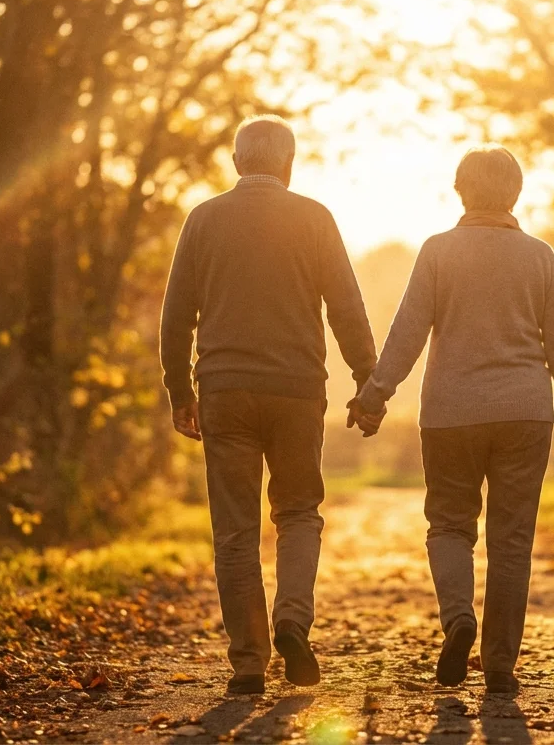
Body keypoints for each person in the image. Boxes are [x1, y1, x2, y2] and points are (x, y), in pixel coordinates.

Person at [350, 145, 554, 697]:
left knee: (450, 526)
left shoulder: (438, 252)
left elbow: (407, 331)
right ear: (516, 194)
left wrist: (374, 396)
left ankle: (459, 617)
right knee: (512, 541)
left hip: (450, 415)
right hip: (526, 414)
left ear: (460, 190)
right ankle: (500, 664)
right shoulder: (540, 257)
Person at [160, 114, 378, 696]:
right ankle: (292, 620)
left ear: (237, 163)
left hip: (225, 391)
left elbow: (176, 315)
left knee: (234, 531)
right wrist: (367, 382)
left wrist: (181, 392)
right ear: (288, 163)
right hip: (297, 391)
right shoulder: (315, 218)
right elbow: (346, 308)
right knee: (299, 512)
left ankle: (249, 665)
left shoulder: (203, 220)